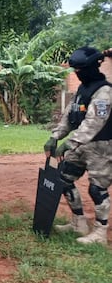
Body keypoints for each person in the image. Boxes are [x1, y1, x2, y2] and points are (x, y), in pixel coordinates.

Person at [44, 46, 112, 245]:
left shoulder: (104, 91)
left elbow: (94, 122)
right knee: (64, 178)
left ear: (91, 67)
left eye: (80, 70)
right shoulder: (83, 89)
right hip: (82, 144)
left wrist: (69, 143)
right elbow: (69, 115)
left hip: (101, 146)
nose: (76, 73)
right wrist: (55, 136)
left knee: (97, 188)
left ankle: (100, 232)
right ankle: (78, 222)